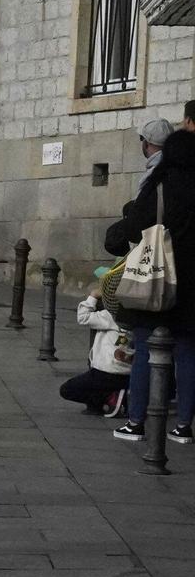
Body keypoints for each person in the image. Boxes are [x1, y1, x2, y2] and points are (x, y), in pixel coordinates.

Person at [106, 129, 195, 444]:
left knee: (145, 349)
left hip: (156, 279)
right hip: (190, 289)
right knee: (187, 353)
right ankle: (184, 426)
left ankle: (136, 422)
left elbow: (133, 227)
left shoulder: (159, 185)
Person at [61, 275, 133, 417]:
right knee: (91, 384)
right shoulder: (134, 314)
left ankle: (111, 397)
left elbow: (83, 317)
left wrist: (93, 296)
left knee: (67, 389)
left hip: (106, 370)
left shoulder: (110, 315)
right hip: (127, 371)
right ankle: (105, 400)